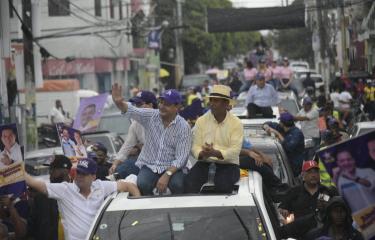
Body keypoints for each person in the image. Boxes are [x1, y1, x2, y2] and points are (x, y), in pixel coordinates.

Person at [25, 158, 141, 240]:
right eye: (78, 172)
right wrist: (19, 171)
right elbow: (37, 184)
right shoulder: (65, 190)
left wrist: (138, 208)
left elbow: (129, 186)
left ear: (93, 177)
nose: (79, 176)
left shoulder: (101, 186)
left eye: (84, 174)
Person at [112, 84, 192, 195]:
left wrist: (167, 174)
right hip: (150, 165)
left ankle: (175, 209)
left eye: (167, 104)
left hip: (172, 167)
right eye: (161, 102)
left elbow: (181, 158)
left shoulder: (184, 127)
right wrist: (119, 103)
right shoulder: (151, 116)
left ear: (177, 107)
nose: (162, 106)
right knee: (143, 183)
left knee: (177, 185)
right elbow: (133, 110)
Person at [185, 85, 243, 194]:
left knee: (223, 186)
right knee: (189, 183)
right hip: (205, 162)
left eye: (216, 101)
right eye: (211, 100)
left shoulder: (236, 123)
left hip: (229, 165)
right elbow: (194, 147)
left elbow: (235, 151)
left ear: (226, 103)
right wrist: (202, 153)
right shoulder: (201, 121)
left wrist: (215, 153)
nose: (211, 103)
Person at [278, 160, 338, 239]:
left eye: (316, 172)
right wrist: (283, 211)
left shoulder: (326, 191)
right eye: (310, 172)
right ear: (303, 175)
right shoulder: (294, 192)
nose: (313, 175)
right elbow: (281, 209)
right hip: (301, 233)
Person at [109, 91, 157, 179]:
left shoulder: (162, 119)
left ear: (150, 105)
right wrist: (115, 164)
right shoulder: (135, 124)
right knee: (121, 169)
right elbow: (126, 147)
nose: (136, 108)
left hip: (169, 164)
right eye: (135, 105)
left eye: (139, 104)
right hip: (148, 164)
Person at [28, 155, 72, 240]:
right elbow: (31, 228)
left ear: (65, 170)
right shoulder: (40, 198)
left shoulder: (76, 193)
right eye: (50, 169)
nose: (50, 172)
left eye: (53, 169)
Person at [264, 112, 305, 177]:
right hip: (280, 164)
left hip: (293, 168)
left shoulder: (297, 133)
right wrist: (266, 127)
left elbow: (288, 147)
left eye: (280, 121)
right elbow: (267, 123)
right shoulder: (280, 128)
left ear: (282, 123)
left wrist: (278, 134)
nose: (279, 123)